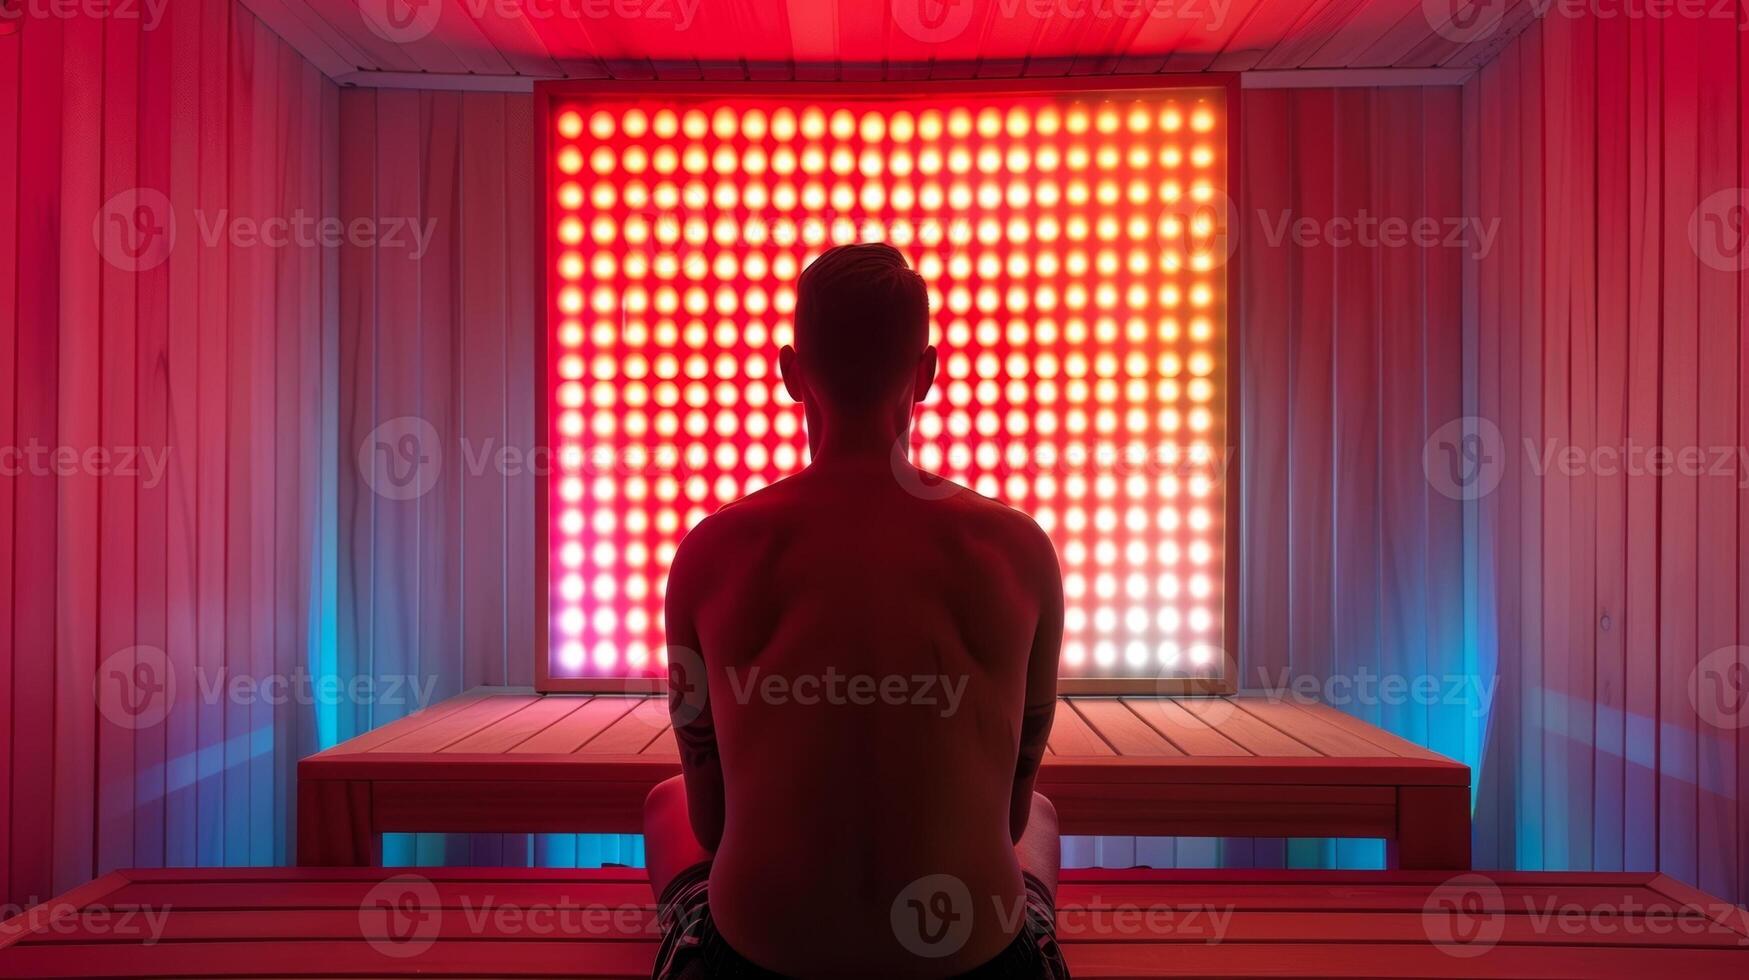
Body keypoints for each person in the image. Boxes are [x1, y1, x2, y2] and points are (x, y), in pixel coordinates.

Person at [643, 242, 1069, 979]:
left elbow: (710, 826)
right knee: (1041, 817)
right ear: (927, 372)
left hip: (752, 966)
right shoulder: (1017, 550)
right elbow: (1005, 818)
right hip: (978, 966)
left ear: (787, 372)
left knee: (666, 802)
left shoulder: (711, 552)